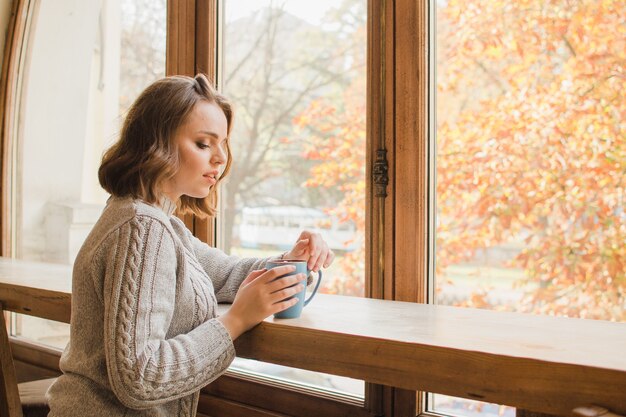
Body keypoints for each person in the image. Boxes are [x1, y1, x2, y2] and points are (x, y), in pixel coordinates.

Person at [46, 74, 335, 416]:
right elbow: (141, 377)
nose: (220, 159)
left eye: (223, 143)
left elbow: (226, 274)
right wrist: (237, 320)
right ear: (156, 144)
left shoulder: (155, 222)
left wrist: (290, 260)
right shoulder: (142, 227)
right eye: (203, 143)